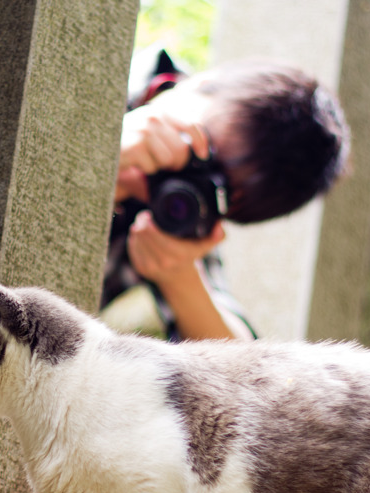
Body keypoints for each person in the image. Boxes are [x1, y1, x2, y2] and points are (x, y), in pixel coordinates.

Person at [100, 49, 350, 342]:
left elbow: (247, 364)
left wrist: (179, 278)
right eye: (197, 149)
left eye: (206, 186)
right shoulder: (112, 64)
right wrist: (104, 146)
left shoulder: (174, 220)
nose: (172, 176)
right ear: (200, 82)